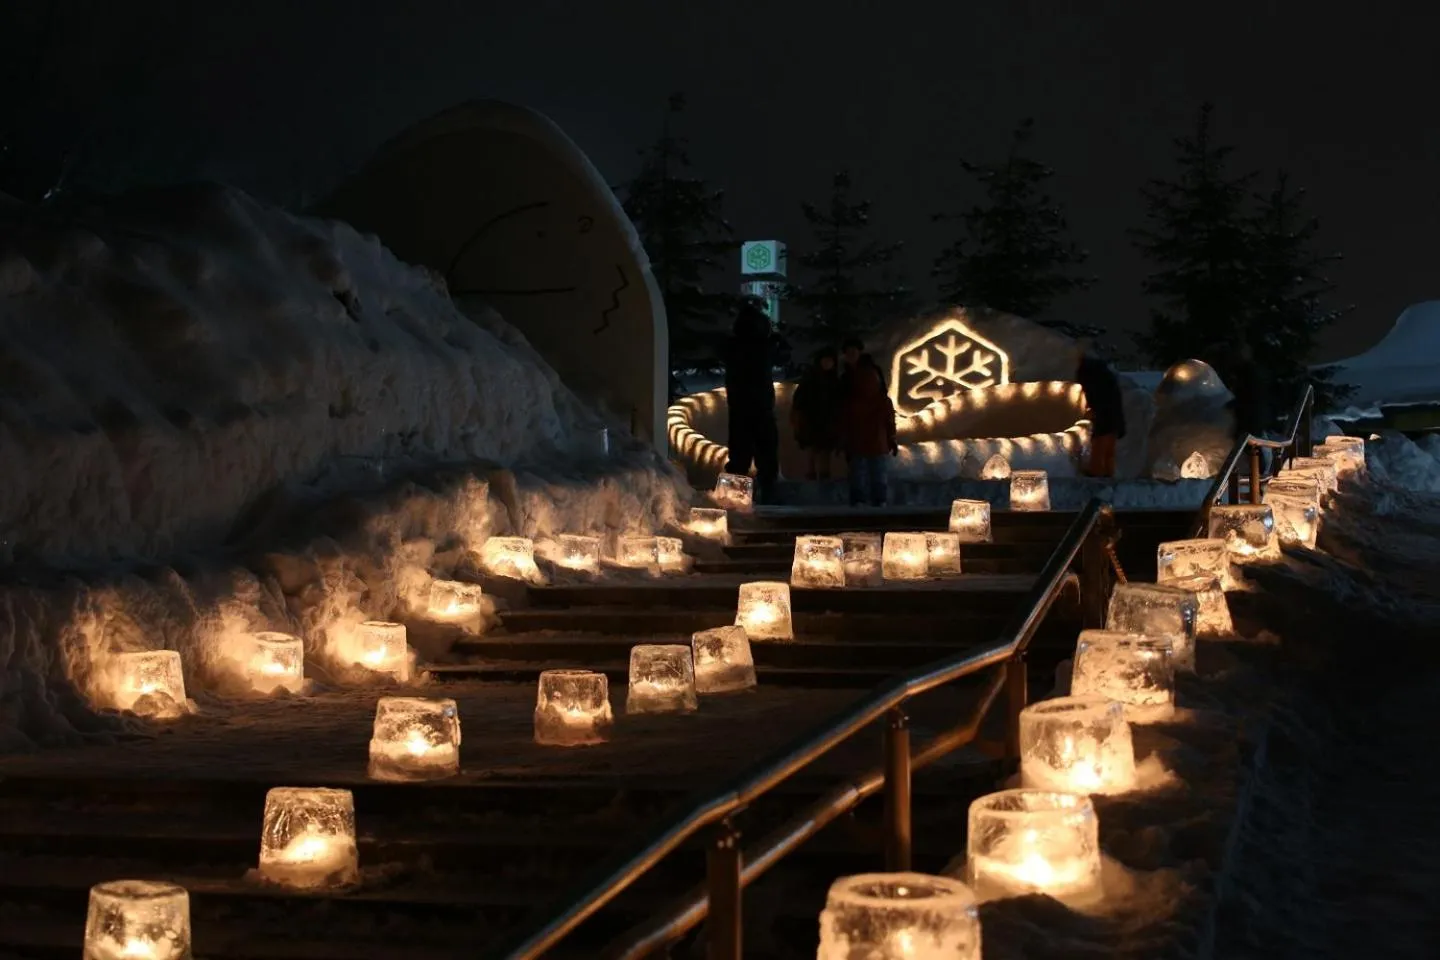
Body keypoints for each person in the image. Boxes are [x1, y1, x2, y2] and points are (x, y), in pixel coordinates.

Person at [724, 304, 779, 501]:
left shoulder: (732, 347)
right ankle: (769, 493)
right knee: (766, 452)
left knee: (739, 454)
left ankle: (734, 497)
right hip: (762, 406)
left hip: (739, 407)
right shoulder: (766, 347)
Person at [840, 353, 898, 506]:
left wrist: (845, 441)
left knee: (858, 473)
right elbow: (889, 422)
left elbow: (846, 422)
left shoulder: (851, 399)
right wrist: (891, 439)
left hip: (857, 441)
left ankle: (859, 499)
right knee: (878, 473)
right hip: (877, 442)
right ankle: (879, 500)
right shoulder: (882, 400)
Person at [1073, 340, 1126, 478]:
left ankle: (1097, 472)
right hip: (1113, 415)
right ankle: (1109, 472)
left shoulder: (1089, 373)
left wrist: (1092, 409)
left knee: (1100, 443)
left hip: (1105, 415)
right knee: (1109, 446)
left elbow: (1093, 394)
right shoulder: (1105, 374)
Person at [790, 347, 843, 480]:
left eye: (830, 361)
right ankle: (812, 478)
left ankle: (824, 478)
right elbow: (799, 402)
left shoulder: (834, 381)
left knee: (825, 452)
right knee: (812, 452)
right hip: (811, 421)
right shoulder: (810, 380)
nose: (827, 363)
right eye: (825, 360)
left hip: (828, 421)